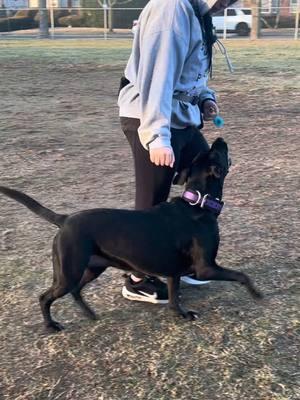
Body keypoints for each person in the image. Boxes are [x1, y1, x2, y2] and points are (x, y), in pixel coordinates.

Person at [118, 0, 237, 304]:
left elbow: (192, 70)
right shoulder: (171, 9)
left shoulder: (197, 12)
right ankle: (137, 279)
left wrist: (205, 98)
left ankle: (186, 257)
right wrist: (157, 137)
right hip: (151, 115)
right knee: (151, 201)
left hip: (180, 114)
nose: (226, 4)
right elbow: (156, 77)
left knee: (203, 177)